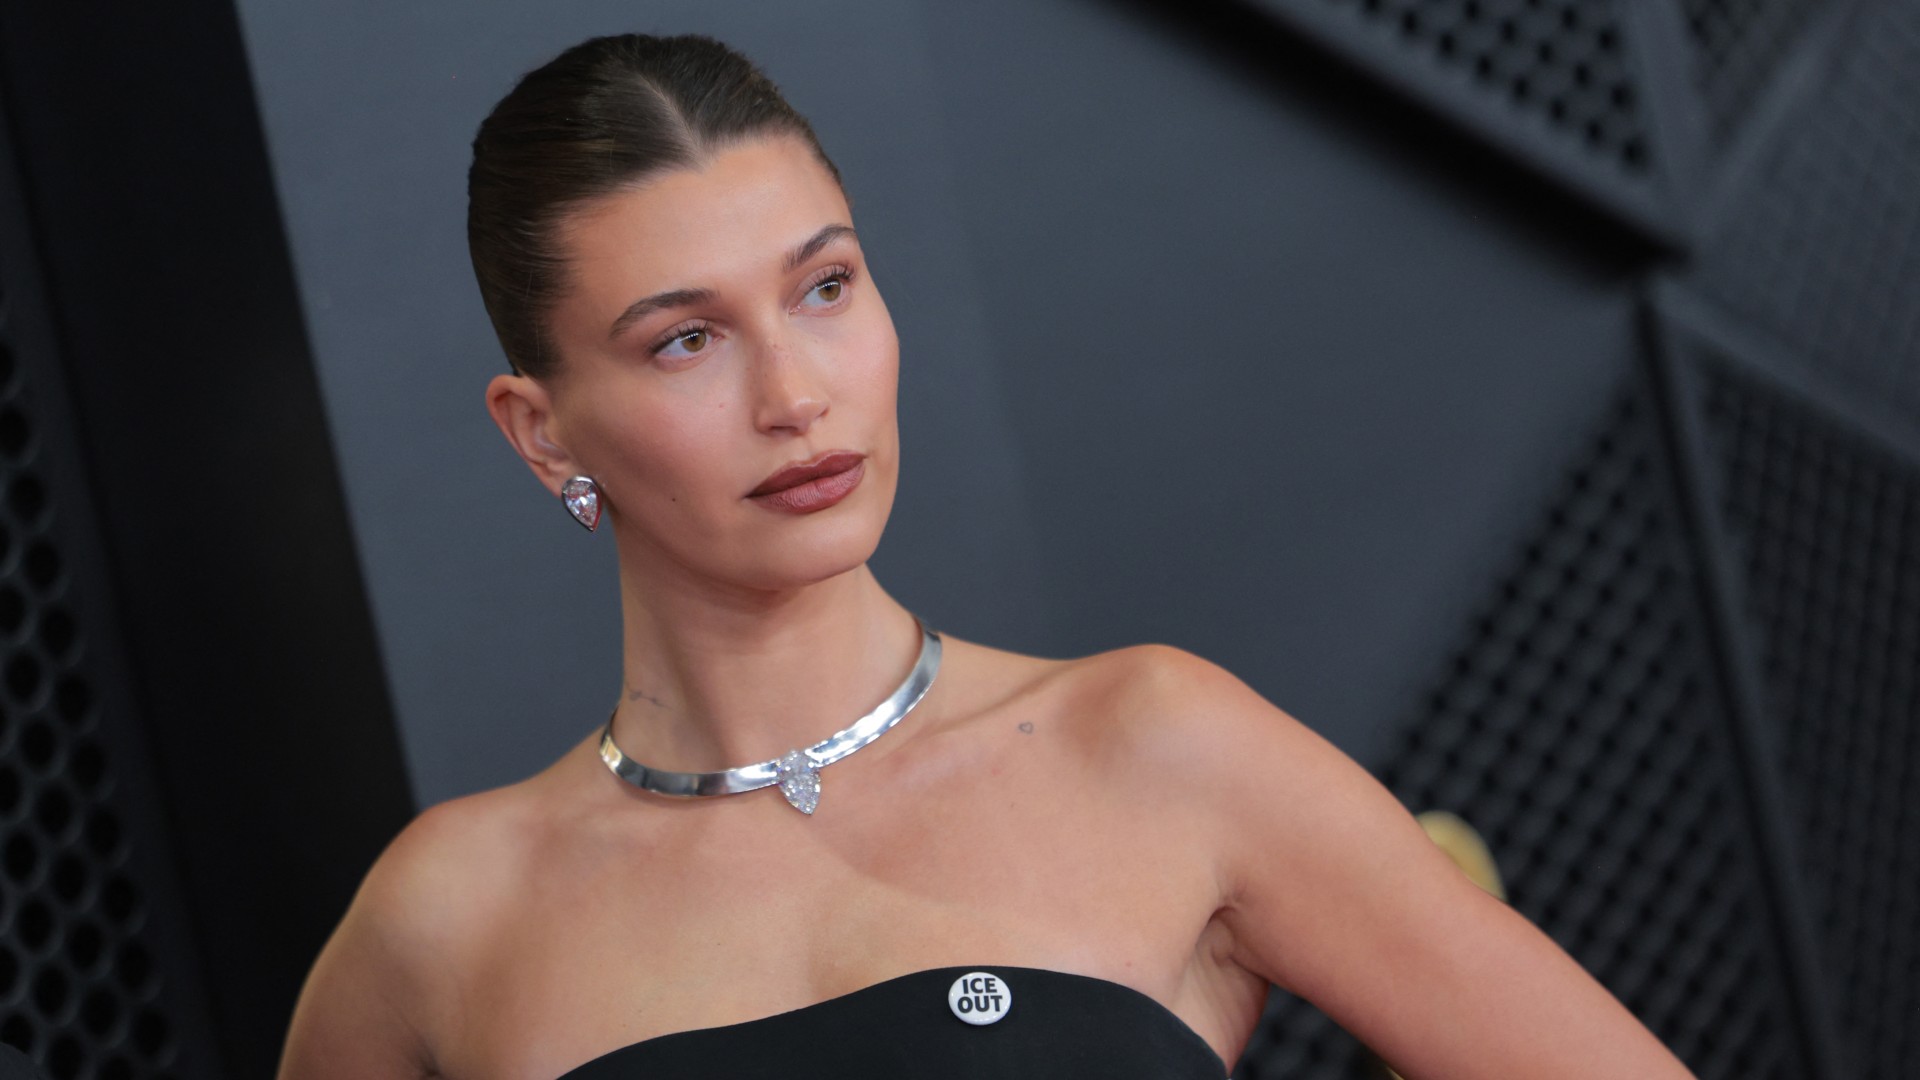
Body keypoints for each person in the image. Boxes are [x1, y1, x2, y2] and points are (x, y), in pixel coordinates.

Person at [276, 32, 1697, 1080]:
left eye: (826, 287)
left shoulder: (1154, 746)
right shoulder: (449, 918)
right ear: (543, 434)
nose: (796, 393)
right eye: (687, 339)